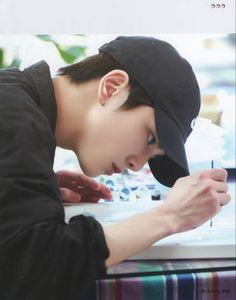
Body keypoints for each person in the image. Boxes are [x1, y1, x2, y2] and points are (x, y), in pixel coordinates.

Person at [0, 36, 230, 300]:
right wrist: (170, 217)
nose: (137, 164)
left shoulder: (15, 103)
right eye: (150, 138)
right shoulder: (13, 118)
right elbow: (34, 273)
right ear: (112, 87)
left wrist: (30, 188)